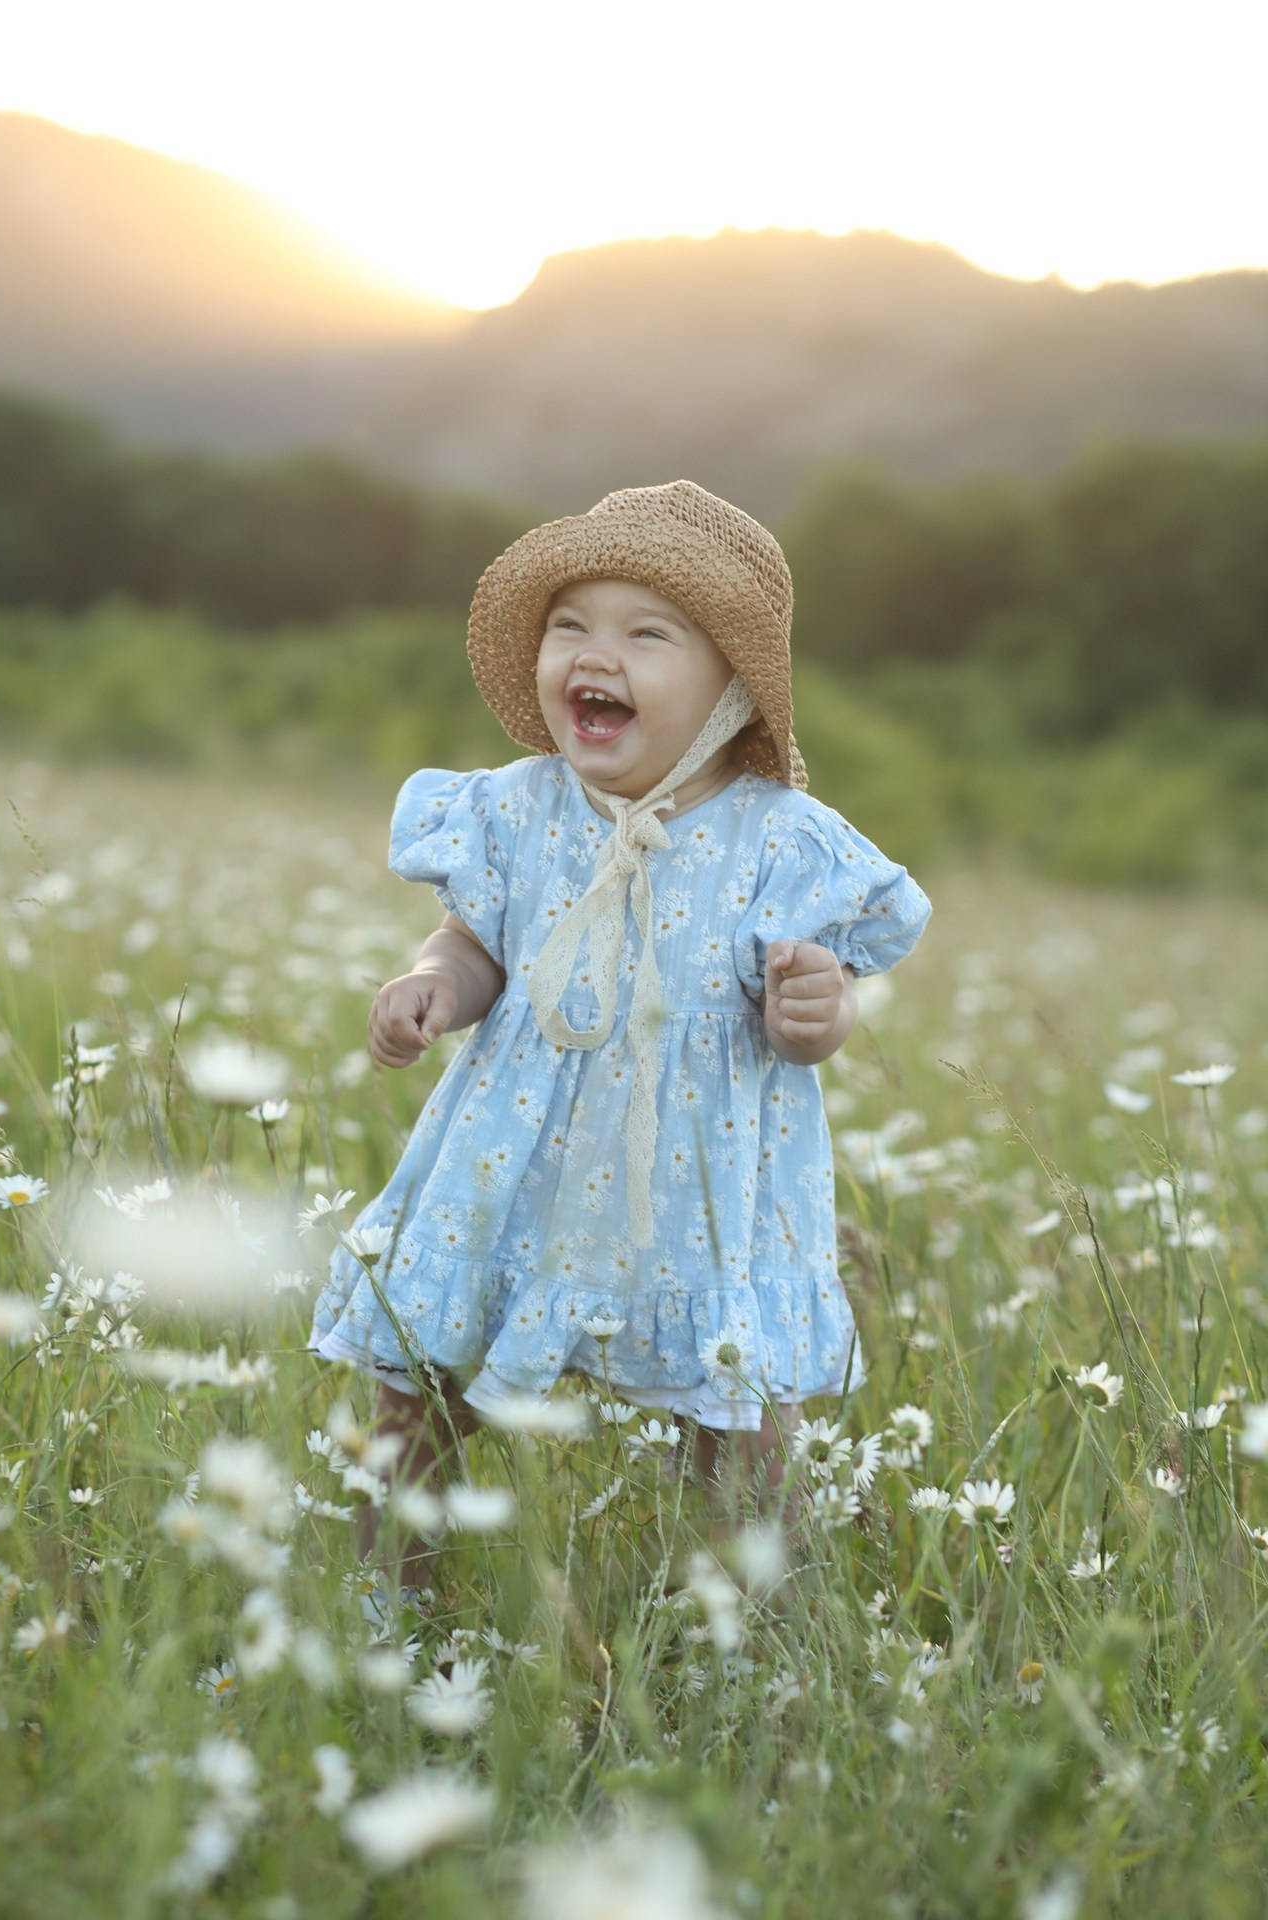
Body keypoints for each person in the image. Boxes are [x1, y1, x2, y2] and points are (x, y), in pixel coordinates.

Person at [308, 479, 930, 1580]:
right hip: (511, 1161)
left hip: (695, 1183)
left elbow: (807, 1020)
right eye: (569, 628)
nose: (595, 655)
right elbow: (474, 944)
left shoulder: (782, 844)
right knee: (420, 1390)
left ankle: (761, 1633)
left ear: (731, 687)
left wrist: (813, 1011)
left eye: (646, 634)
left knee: (734, 1425)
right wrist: (431, 985)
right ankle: (389, 1603)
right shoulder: (515, 809)